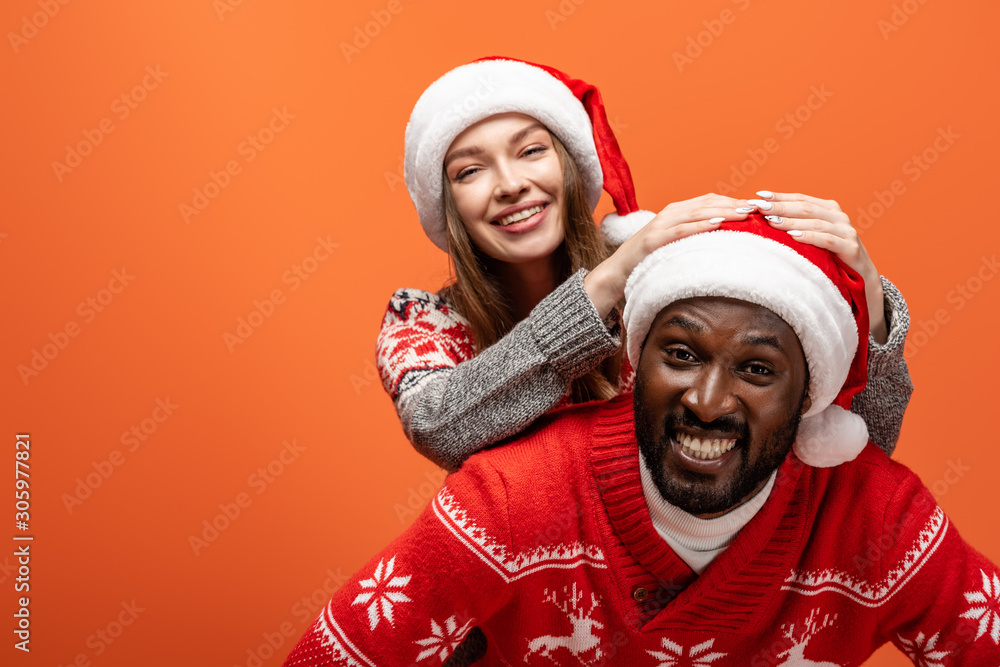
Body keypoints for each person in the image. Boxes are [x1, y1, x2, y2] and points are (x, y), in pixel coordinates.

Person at [284, 215, 998, 665]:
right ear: (633, 362)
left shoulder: (881, 518)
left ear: (809, 395)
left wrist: (871, 300)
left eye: (756, 368)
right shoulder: (511, 500)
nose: (709, 401)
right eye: (681, 355)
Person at [376, 57, 912, 474]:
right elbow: (440, 430)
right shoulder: (421, 320)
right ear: (447, 203)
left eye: (531, 151)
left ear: (570, 164)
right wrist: (607, 281)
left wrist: (865, 291)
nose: (510, 183)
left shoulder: (666, 282)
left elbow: (859, 453)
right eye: (471, 170)